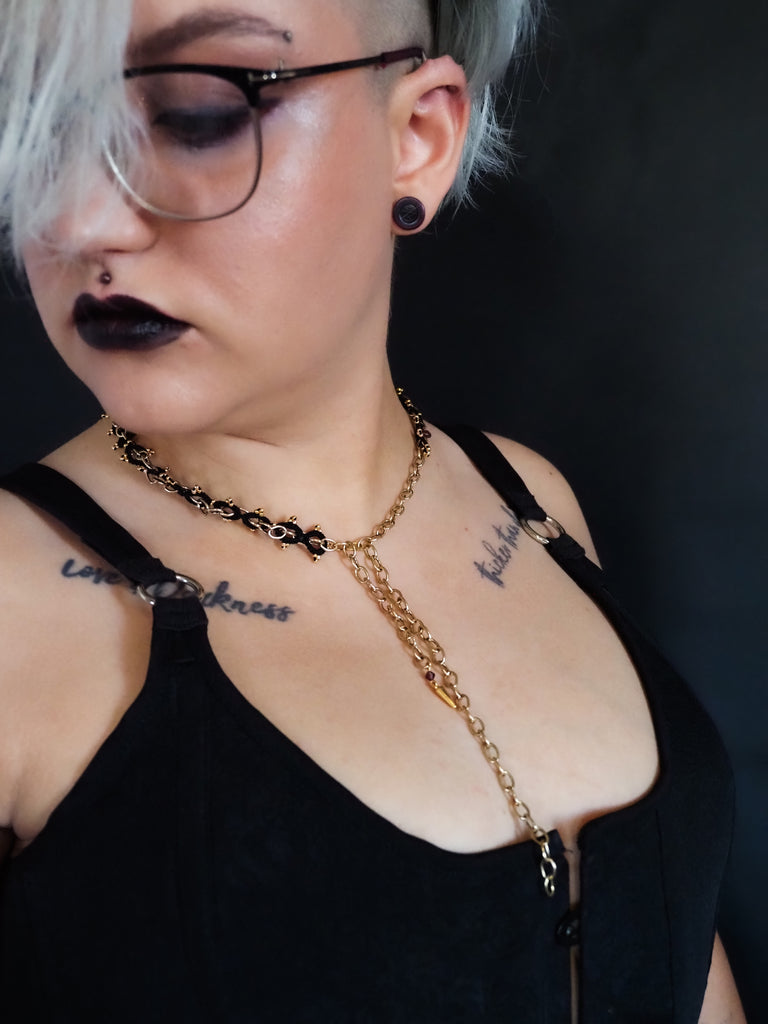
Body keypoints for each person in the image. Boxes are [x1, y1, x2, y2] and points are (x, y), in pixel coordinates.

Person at [0, 1, 745, 1020]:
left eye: (196, 115)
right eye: (38, 122)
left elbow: (684, 952)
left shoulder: (529, 503)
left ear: (418, 136)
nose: (82, 218)